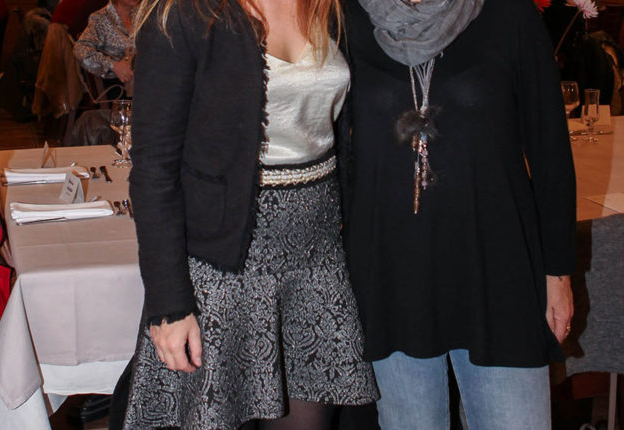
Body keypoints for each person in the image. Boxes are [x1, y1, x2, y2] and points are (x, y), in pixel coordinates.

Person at [121, 0, 378, 427]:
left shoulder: (331, 8)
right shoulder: (185, 11)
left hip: (315, 260)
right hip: (222, 265)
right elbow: (153, 169)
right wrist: (168, 303)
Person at [341, 0, 576, 428]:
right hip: (392, 277)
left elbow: (550, 150)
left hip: (498, 274)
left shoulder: (510, 14)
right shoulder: (346, 19)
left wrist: (558, 274)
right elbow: (334, 157)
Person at [73, 0, 136, 86]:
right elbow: (80, 49)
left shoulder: (141, 15)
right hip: (119, 85)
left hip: (145, 78)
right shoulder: (101, 18)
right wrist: (113, 65)